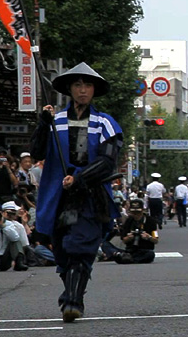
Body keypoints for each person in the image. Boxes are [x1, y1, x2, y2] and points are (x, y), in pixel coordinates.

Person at [30, 62, 122, 323]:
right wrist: (42, 124)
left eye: (88, 85)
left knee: (80, 246)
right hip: (58, 196)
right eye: (78, 85)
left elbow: (107, 161)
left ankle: (72, 302)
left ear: (94, 90)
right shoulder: (55, 120)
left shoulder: (106, 123)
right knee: (61, 251)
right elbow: (37, 153)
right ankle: (73, 295)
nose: (83, 90)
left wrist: (80, 178)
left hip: (90, 195)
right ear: (70, 89)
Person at [115, 199, 158, 264]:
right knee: (107, 245)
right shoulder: (129, 221)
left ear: (142, 210)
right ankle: (126, 257)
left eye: (138, 212)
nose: (136, 215)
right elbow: (124, 240)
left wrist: (148, 237)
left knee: (150, 254)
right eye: (133, 213)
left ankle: (130, 260)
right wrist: (129, 238)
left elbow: (156, 240)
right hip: (130, 250)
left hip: (144, 249)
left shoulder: (151, 221)